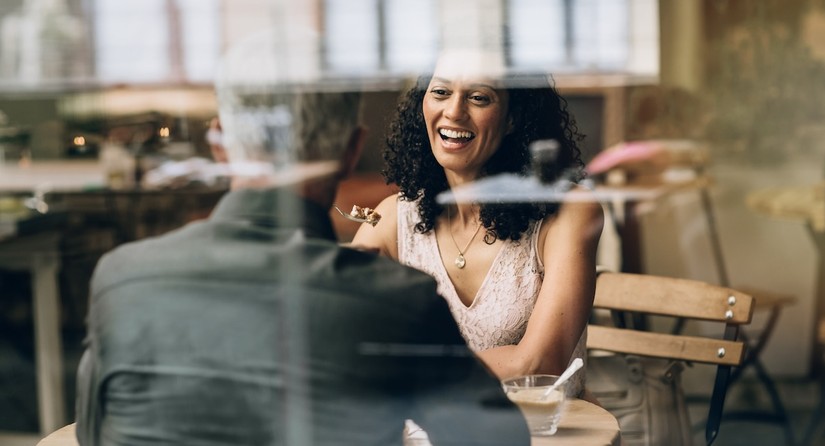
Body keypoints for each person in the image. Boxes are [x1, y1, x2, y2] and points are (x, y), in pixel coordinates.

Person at [75, 32, 529, 445]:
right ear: (352, 152)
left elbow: (93, 434)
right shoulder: (395, 302)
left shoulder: (121, 281)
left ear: (218, 142)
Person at [352, 49, 604, 399]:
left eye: (478, 97)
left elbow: (538, 364)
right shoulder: (394, 218)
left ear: (514, 117)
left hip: (539, 433)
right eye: (440, 92)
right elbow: (334, 323)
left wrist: (402, 372)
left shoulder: (567, 212)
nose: (453, 111)